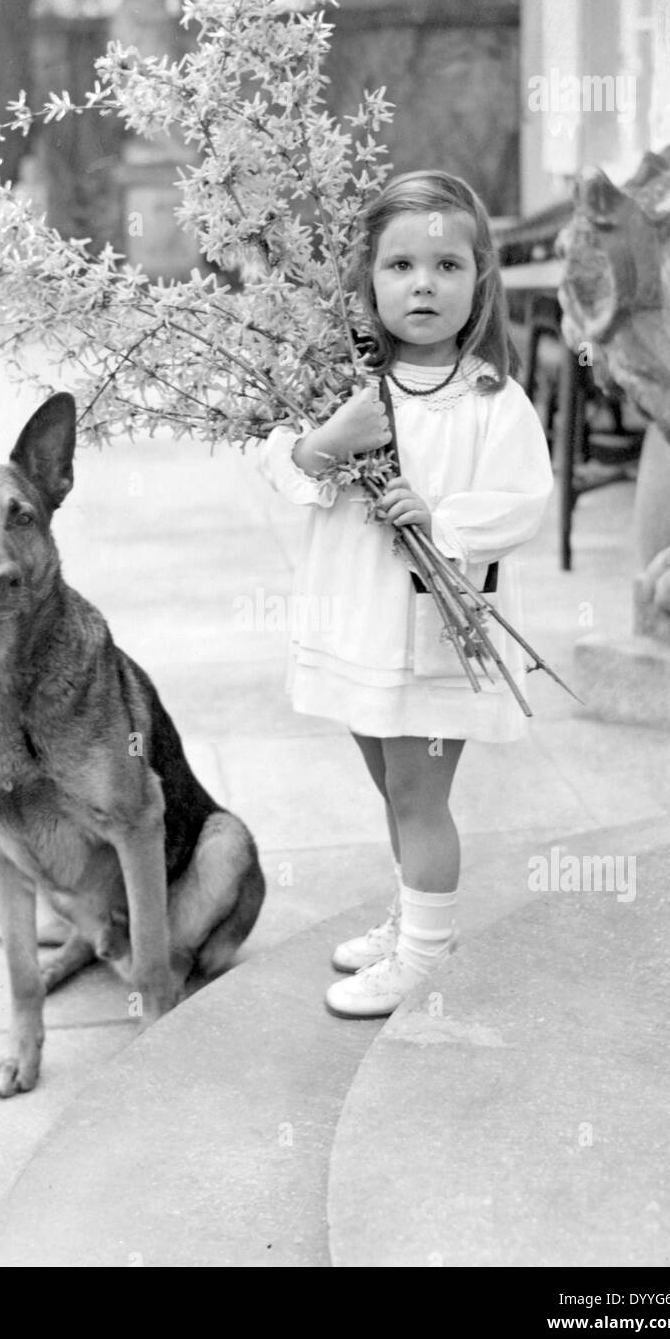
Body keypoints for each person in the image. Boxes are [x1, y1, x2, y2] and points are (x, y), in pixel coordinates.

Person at [258, 170, 554, 1018]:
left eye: (447, 266)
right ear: (367, 282)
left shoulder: (492, 401)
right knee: (391, 786)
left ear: (480, 283)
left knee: (420, 794)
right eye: (400, 266)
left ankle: (427, 955)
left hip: (433, 634)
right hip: (360, 626)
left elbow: (521, 499)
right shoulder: (341, 389)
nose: (423, 284)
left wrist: (442, 521)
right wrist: (327, 440)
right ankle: (412, 919)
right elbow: (283, 470)